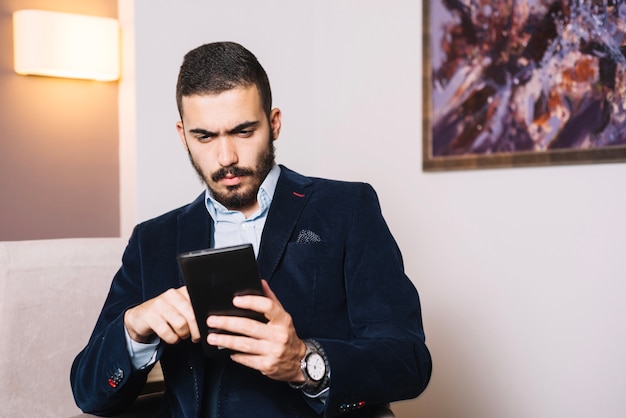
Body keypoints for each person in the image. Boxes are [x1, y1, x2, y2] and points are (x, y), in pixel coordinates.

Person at [71, 41, 431, 417]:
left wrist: (303, 361)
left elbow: (409, 361)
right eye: (205, 137)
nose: (226, 158)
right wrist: (133, 328)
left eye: (243, 132)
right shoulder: (153, 240)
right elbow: (88, 392)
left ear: (273, 123)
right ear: (183, 136)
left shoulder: (346, 209)